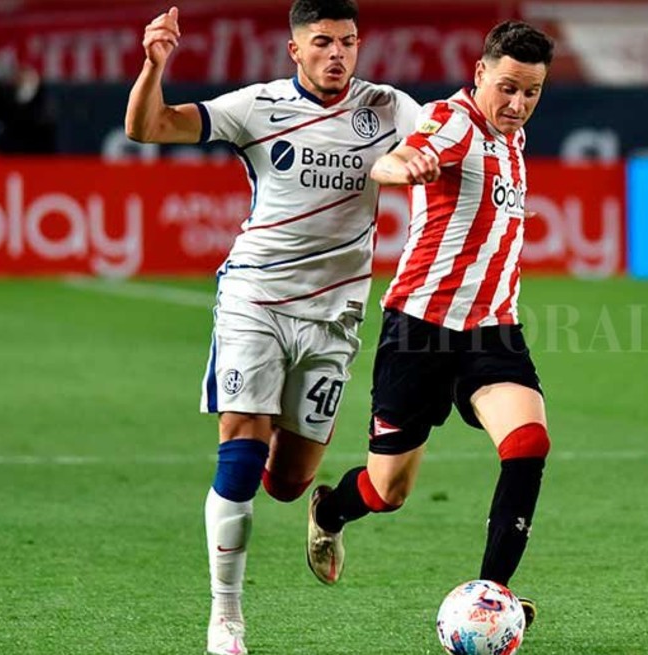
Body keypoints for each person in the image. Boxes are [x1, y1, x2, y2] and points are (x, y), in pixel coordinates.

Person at [124, 2, 420, 654]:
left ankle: (323, 510)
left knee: (288, 482)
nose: (336, 54)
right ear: (295, 50)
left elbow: (444, 142)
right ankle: (225, 617)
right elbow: (149, 126)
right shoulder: (256, 107)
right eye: (322, 43)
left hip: (334, 318)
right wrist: (154, 65)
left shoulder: (389, 108)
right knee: (241, 446)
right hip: (254, 300)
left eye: (346, 42)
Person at [305, 20, 556, 629]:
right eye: (508, 88)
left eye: (531, 92)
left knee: (528, 444)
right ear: (479, 75)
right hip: (418, 328)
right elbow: (397, 160)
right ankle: (330, 512)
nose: (517, 104)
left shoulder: (512, 139)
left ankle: (492, 594)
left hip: (493, 330)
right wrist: (404, 167)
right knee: (387, 490)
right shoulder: (454, 121)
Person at [0, 65, 58, 154]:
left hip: (38, 146)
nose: (25, 81)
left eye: (30, 79)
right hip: (13, 145)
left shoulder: (43, 96)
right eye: (22, 78)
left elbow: (45, 120)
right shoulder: (4, 94)